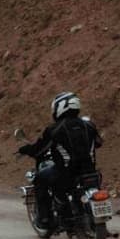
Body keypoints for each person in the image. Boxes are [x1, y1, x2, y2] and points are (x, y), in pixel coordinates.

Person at [17, 92, 102, 231]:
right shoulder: (89, 126)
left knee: (39, 179)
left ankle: (45, 219)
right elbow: (98, 143)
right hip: (90, 172)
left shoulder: (54, 129)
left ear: (60, 107)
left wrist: (25, 149)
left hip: (66, 174)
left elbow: (39, 150)